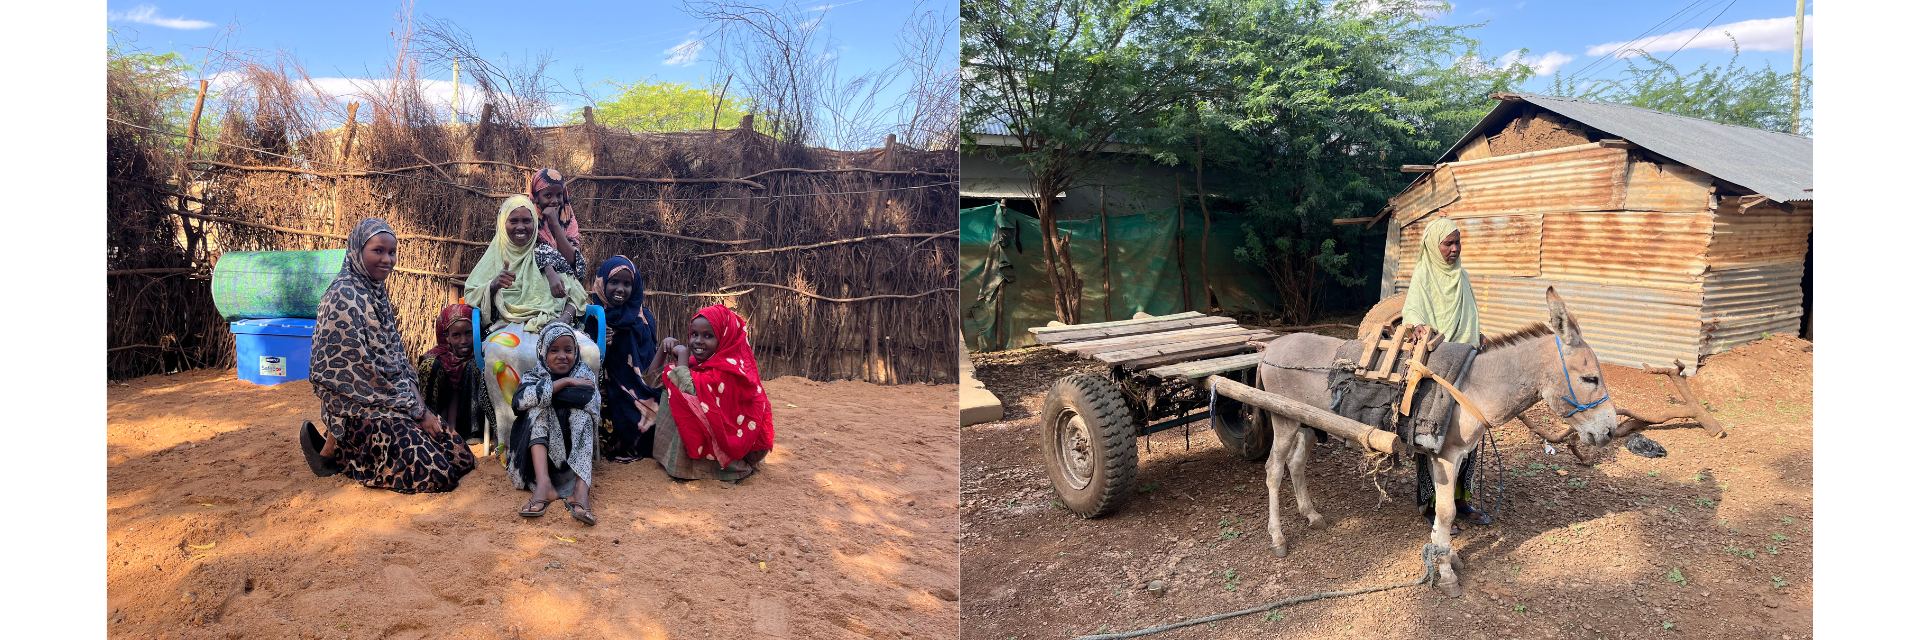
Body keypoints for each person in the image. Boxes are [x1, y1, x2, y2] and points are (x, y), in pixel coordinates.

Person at [297, 218, 475, 494]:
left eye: (391, 252)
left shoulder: (376, 293)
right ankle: (342, 453)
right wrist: (415, 411)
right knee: (438, 475)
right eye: (378, 251)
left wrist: (420, 409)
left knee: (461, 458)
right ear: (357, 251)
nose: (387, 259)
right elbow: (361, 378)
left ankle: (336, 449)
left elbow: (397, 361)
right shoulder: (342, 298)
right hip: (362, 408)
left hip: (394, 400)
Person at [462, 194, 598, 448]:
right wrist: (493, 285)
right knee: (500, 352)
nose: (521, 226)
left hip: (555, 324)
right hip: (509, 325)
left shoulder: (546, 253)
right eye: (514, 220)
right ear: (503, 222)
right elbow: (471, 293)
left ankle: (573, 441)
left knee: (588, 351)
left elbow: (576, 291)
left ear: (535, 223)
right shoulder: (495, 256)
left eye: (527, 220)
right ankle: (515, 440)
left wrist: (565, 319)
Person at [1400, 217, 1492, 527]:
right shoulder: (1424, 275)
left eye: (1457, 243)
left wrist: (1478, 335)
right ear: (1433, 245)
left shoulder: (1462, 277)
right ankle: (1430, 505)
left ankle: (1460, 500)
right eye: (1447, 243)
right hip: (1437, 364)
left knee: (1469, 433)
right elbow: (1412, 311)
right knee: (1432, 433)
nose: (1454, 249)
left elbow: (1471, 314)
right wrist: (1418, 325)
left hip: (1466, 364)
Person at [656, 305, 775, 482]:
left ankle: (715, 467)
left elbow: (688, 392)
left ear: (725, 338)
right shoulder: (699, 364)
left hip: (743, 446)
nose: (698, 341)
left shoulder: (732, 370)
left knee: (681, 394)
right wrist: (662, 349)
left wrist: (681, 355)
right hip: (726, 438)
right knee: (671, 381)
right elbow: (653, 381)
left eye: (708, 336)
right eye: (694, 334)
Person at [508, 323, 600, 526]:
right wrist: (566, 383)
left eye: (568, 350)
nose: (562, 356)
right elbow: (519, 401)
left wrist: (543, 394)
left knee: (582, 415)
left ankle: (580, 491)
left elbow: (587, 398)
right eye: (554, 350)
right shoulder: (533, 375)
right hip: (538, 462)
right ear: (543, 352)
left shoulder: (583, 372)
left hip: (571, 461)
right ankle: (544, 485)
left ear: (575, 352)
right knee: (537, 411)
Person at [589, 255, 662, 463]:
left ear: (635, 286)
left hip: (639, 387)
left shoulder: (644, 318)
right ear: (602, 283)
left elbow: (647, 368)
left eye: (627, 284)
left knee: (664, 411)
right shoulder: (593, 318)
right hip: (605, 387)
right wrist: (601, 346)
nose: (620, 289)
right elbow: (586, 364)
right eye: (614, 282)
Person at [416, 302, 488, 444]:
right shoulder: (439, 358)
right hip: (442, 419)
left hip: (468, 419)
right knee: (429, 366)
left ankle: (474, 433)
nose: (464, 341)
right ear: (447, 337)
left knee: (478, 365)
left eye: (468, 333)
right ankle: (426, 428)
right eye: (456, 335)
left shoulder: (482, 355)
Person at [529, 168, 588, 286]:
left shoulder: (567, 219)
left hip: (565, 283)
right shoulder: (528, 218)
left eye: (559, 195)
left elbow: (573, 261)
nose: (554, 201)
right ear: (536, 197)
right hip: (535, 283)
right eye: (548, 195)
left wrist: (555, 224)